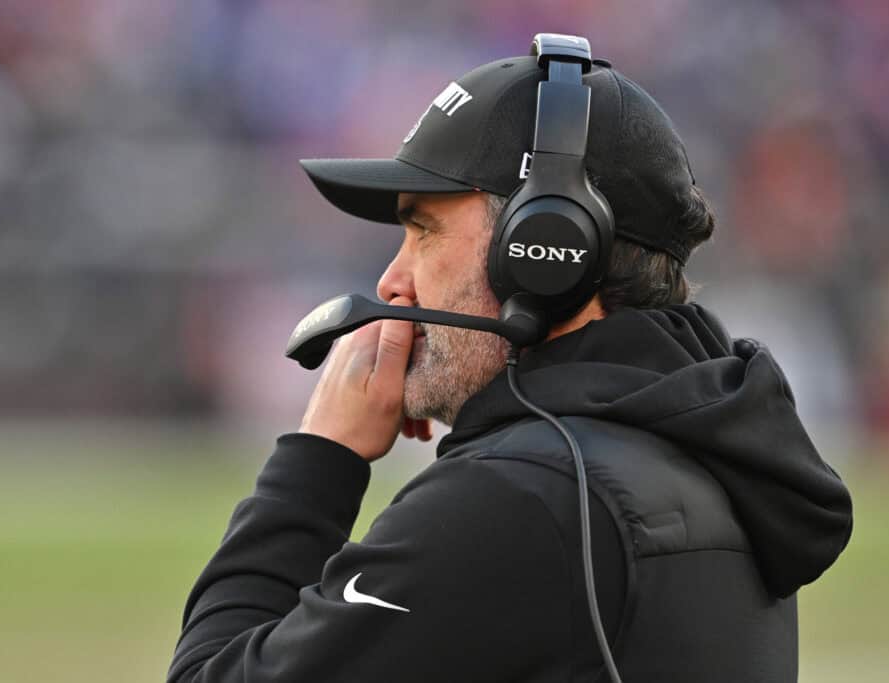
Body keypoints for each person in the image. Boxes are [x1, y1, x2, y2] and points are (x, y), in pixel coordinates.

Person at [168, 39, 853, 683]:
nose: (391, 282)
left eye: (424, 231)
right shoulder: (714, 463)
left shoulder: (519, 498)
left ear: (545, 249)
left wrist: (319, 457)